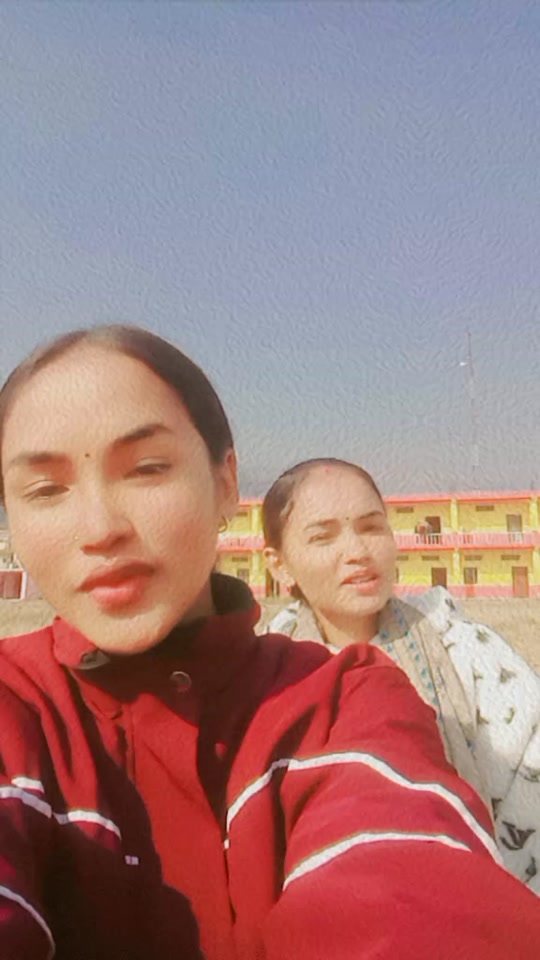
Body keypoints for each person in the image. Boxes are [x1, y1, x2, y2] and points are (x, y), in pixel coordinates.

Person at [0, 329, 538, 960]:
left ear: (226, 481)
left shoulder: (346, 703)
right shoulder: (15, 708)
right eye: (45, 490)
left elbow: (412, 894)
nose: (99, 528)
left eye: (147, 469)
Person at [263, 457, 540, 895]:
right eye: (323, 537)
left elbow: (530, 798)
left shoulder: (468, 654)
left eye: (372, 527)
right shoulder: (259, 684)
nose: (357, 552)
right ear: (279, 565)